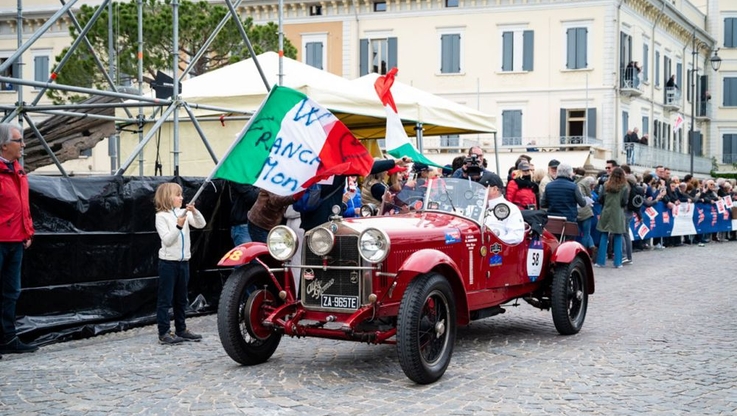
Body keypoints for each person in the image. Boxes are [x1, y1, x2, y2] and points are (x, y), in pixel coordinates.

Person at [0, 123, 38, 355]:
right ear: (4, 145)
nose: (23, 145)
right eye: (18, 141)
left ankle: (8, 339)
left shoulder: (17, 170)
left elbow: (23, 206)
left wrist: (28, 231)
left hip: (16, 240)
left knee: (11, 292)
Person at [154, 182, 207, 345]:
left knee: (181, 298)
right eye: (178, 195)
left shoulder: (183, 212)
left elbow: (201, 224)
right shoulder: (161, 217)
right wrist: (178, 226)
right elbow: (168, 240)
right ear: (167, 197)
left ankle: (181, 329)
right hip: (168, 263)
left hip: (184, 262)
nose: (181, 198)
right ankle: (163, 332)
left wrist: (194, 211)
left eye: (181, 195)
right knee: (165, 299)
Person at [594, 167, 629, 268]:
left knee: (604, 235)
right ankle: (618, 262)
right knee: (618, 236)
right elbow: (624, 201)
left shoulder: (606, 185)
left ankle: (600, 262)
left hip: (606, 211)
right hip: (618, 212)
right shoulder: (624, 187)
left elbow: (600, 198)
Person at [482, 172, 525, 245]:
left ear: (494, 189)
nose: (479, 191)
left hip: (498, 251)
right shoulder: (477, 208)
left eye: (483, 188)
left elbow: (517, 236)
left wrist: (493, 239)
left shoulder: (511, 209)